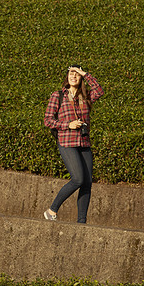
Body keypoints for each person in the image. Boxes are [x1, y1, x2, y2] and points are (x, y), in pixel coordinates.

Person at [43, 65, 104, 224]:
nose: (74, 76)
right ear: (67, 76)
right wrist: (67, 125)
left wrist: (85, 73)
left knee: (87, 182)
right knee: (78, 179)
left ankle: (81, 221)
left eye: (77, 74)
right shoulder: (58, 95)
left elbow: (99, 90)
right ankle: (52, 210)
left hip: (83, 142)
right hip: (67, 141)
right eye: (71, 73)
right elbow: (48, 120)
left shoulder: (87, 96)